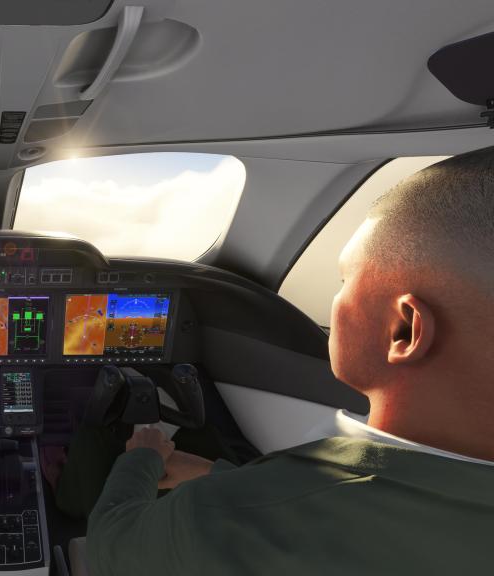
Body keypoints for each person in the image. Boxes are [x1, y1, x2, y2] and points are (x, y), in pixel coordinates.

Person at [84, 147, 494, 575]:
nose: (337, 297)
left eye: (345, 280)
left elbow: (109, 543)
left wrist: (143, 457)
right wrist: (224, 478)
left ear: (403, 330)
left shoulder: (222, 521)